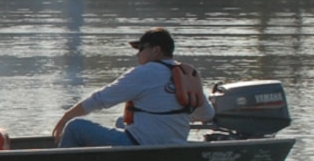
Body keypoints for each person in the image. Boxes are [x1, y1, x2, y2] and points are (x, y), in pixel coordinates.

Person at [53, 27, 213, 147]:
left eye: (141, 49)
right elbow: (207, 114)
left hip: (141, 146)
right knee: (121, 121)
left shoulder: (145, 72)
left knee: (75, 127)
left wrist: (66, 117)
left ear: (156, 50)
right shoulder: (187, 74)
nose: (138, 55)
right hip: (175, 145)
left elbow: (99, 100)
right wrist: (172, 118)